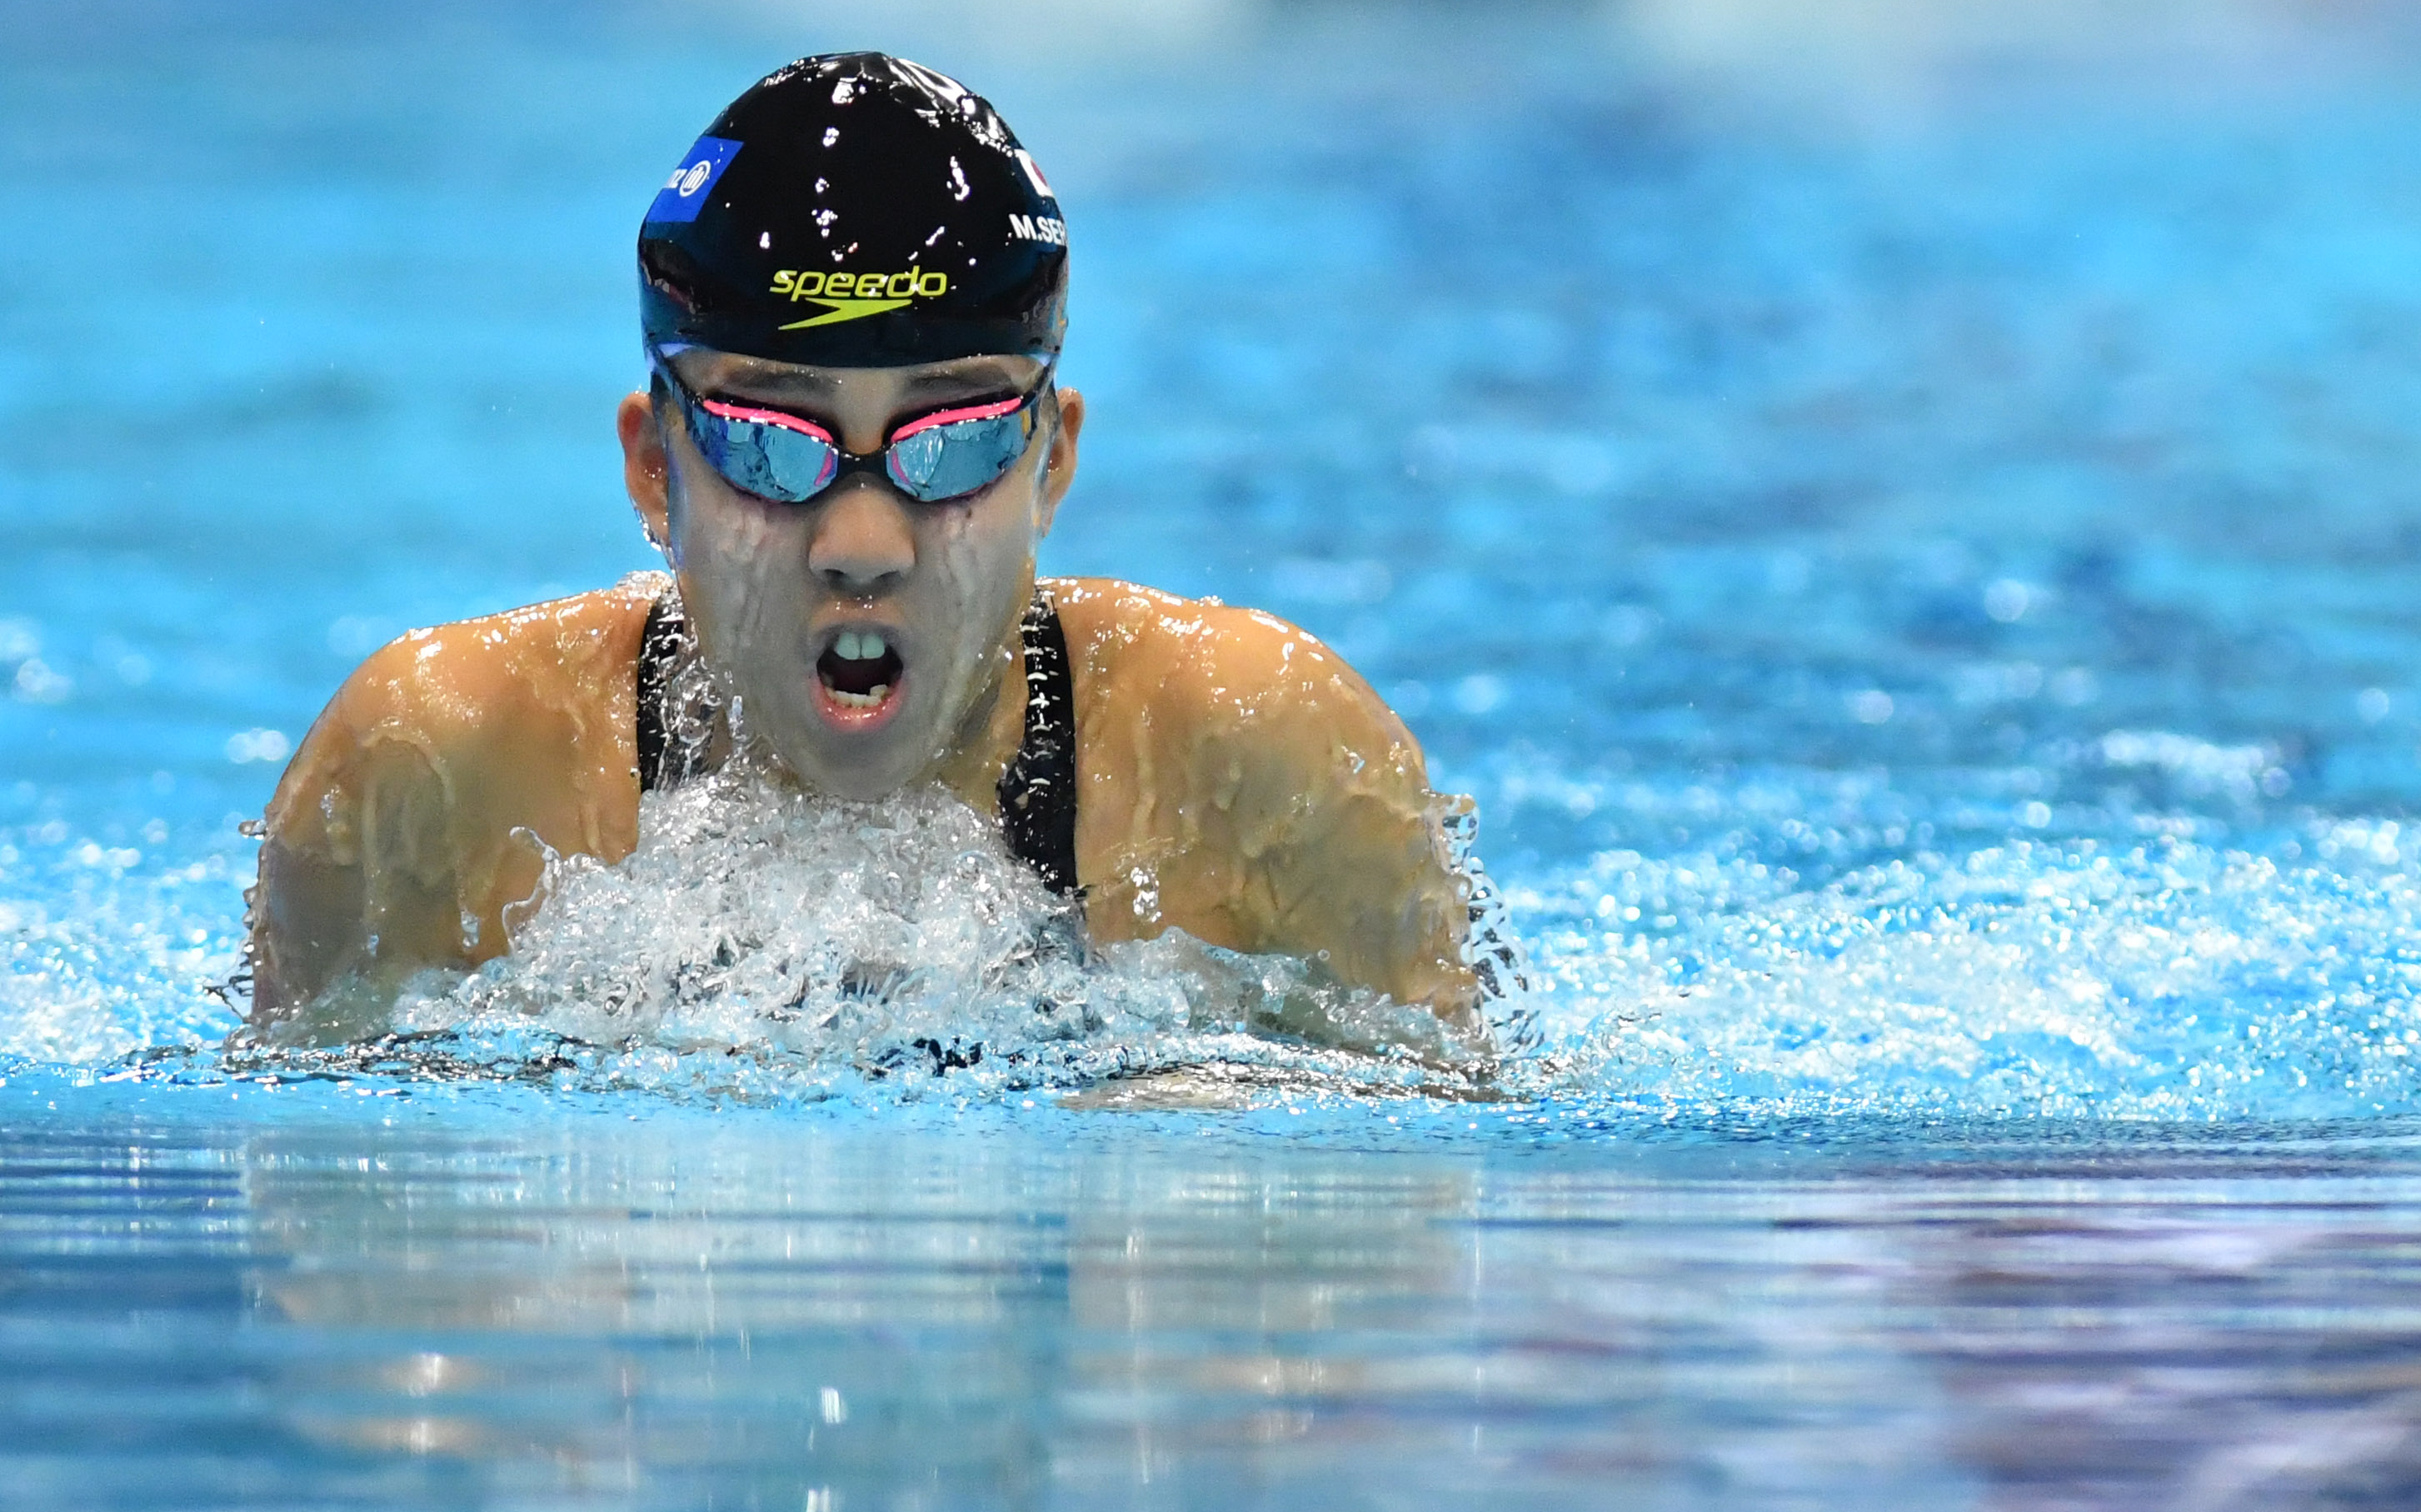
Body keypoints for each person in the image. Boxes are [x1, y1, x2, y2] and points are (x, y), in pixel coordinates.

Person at [242, 52, 1492, 1040]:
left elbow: (1434, 1220)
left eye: (946, 440)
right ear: (652, 466)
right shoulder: (435, 777)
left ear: (1052, 460)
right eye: (766, 440)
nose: (857, 540)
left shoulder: (1268, 764)